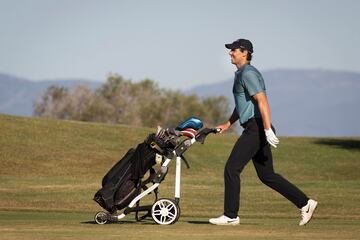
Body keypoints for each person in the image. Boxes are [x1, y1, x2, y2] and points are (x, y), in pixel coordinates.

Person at [209, 38, 317, 226]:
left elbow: (262, 101)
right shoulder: (241, 74)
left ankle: (231, 215)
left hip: (256, 128)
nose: (230, 53)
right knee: (267, 175)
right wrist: (228, 124)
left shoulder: (248, 74)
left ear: (244, 52)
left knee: (232, 168)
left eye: (233, 50)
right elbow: (243, 105)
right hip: (255, 126)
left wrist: (266, 129)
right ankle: (305, 203)